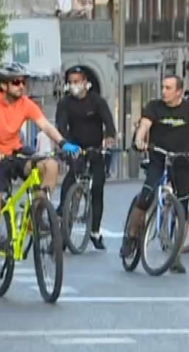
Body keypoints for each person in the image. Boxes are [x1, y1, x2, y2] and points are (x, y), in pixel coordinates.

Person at [0, 62, 80, 298]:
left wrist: (63, 143)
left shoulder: (26, 104)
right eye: (16, 82)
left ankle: (36, 216)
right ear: (3, 85)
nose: (21, 86)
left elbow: (45, 125)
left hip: (16, 152)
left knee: (49, 164)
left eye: (23, 81)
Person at [120, 75, 189, 274]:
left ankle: (176, 256)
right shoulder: (154, 106)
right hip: (158, 157)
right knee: (146, 196)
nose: (164, 91)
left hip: (182, 160)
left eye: (168, 88)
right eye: (163, 87)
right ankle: (131, 236)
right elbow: (145, 126)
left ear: (179, 92)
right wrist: (140, 140)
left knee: (183, 209)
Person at [55, 66, 116, 250]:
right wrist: (65, 144)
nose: (74, 86)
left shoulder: (97, 101)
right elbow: (61, 126)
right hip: (75, 149)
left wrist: (109, 137)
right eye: (71, 82)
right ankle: (62, 231)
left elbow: (108, 123)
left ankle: (95, 232)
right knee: (68, 185)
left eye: (77, 82)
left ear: (85, 83)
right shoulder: (64, 103)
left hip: (95, 148)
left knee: (97, 187)